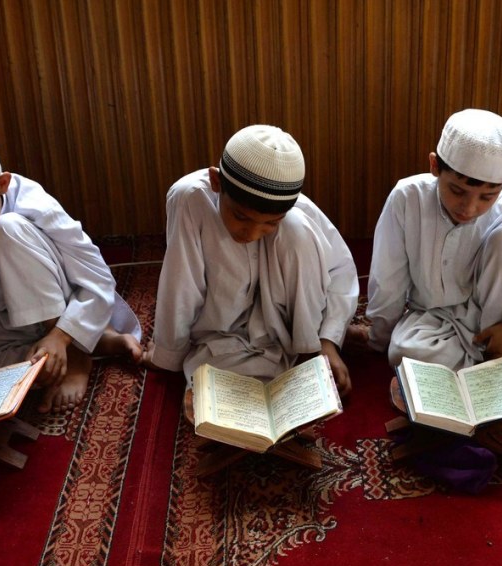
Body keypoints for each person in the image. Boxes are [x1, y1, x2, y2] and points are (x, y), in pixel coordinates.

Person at [0, 127, 142, 414]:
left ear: (2, 183)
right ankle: (93, 343)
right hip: (3, 316)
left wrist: (62, 335)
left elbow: (97, 277)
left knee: (8, 229)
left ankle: (75, 353)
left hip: (63, 308)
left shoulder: (34, 203)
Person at [360, 109, 502, 399]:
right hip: (430, 319)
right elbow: (387, 278)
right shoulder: (407, 198)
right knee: (402, 351)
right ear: (434, 166)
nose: (469, 208)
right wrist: (379, 339)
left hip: (492, 320)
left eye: (487, 197)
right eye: (457, 190)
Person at [144, 124, 359, 421]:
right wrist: (168, 354)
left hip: (284, 334)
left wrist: (327, 342)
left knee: (297, 232)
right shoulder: (191, 199)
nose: (252, 233)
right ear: (216, 181)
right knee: (216, 385)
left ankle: (308, 356)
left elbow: (340, 273)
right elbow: (181, 284)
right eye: (241, 217)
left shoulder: (296, 214)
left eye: (270, 224)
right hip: (218, 336)